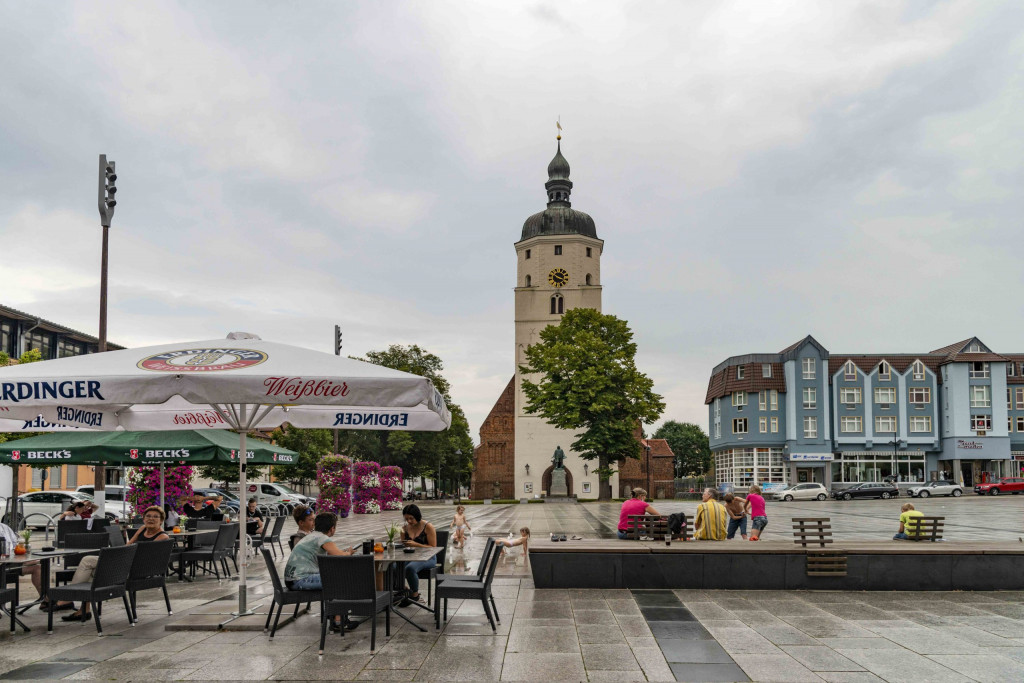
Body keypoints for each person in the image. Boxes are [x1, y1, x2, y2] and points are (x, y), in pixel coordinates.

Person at [58, 506, 168, 621]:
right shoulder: (142, 529)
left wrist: (115, 558)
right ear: (144, 518)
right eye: (148, 516)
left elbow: (143, 557)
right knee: (93, 570)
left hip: (135, 571)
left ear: (161, 520)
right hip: (125, 562)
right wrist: (117, 555)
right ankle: (84, 609)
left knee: (88, 561)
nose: (151, 519)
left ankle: (70, 597)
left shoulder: (162, 536)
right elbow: (128, 545)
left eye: (156, 517)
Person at [0, 522, 49, 611]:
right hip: (3, 564)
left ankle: (46, 600)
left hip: (9, 562)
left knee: (37, 567)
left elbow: (15, 545)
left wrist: (21, 556)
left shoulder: (5, 527)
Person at [400, 504, 437, 603]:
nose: (409, 521)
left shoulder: (428, 526)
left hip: (428, 557)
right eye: (406, 519)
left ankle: (415, 595)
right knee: (392, 567)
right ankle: (402, 590)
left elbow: (433, 548)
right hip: (410, 556)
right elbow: (403, 545)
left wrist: (416, 544)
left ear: (417, 516)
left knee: (410, 568)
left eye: (411, 518)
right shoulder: (404, 529)